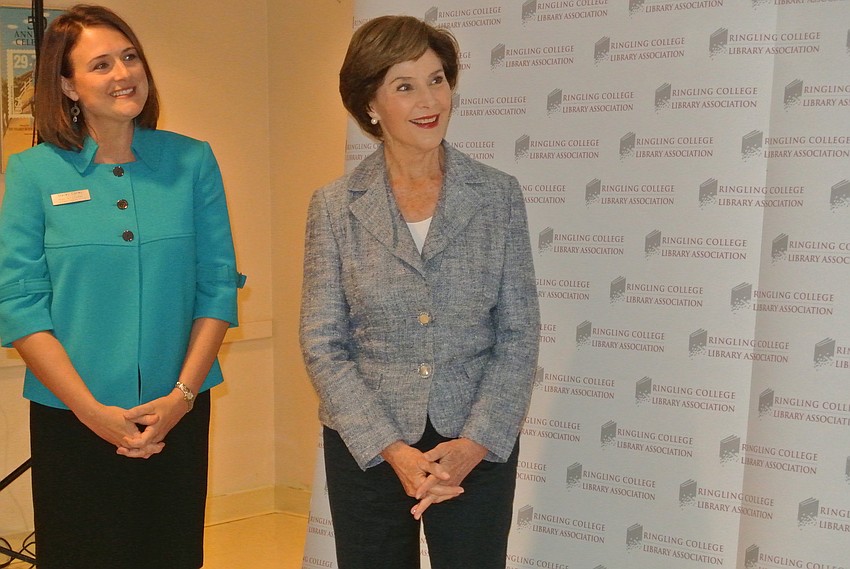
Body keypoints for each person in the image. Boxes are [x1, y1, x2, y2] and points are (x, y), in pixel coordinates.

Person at [0, 5, 244, 569]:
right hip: (74, 416)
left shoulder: (191, 161)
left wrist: (181, 399)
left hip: (175, 411)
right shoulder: (34, 173)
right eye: (101, 64)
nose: (123, 74)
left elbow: (216, 287)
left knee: (173, 553)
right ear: (67, 85)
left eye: (129, 57)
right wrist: (89, 411)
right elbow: (19, 304)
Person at [299, 15, 540, 569]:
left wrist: (475, 443)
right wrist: (391, 449)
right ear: (370, 106)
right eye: (404, 86)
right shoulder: (335, 207)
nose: (429, 99)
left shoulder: (498, 196)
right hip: (370, 450)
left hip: (474, 450)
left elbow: (519, 332)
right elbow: (322, 343)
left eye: (437, 79)